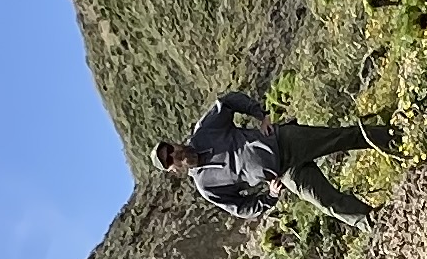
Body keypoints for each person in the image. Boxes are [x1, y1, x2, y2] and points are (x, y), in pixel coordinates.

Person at [156, 91, 394, 224]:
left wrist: (260, 115)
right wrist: (270, 196)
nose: (175, 154)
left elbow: (227, 102)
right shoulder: (206, 185)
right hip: (284, 174)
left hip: (285, 140)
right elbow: (242, 208)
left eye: (170, 149)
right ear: (172, 169)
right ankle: (375, 223)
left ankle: (396, 138)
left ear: (173, 143)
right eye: (169, 159)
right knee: (326, 202)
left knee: (343, 138)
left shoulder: (204, 131)